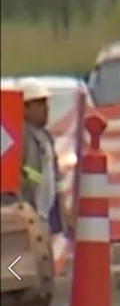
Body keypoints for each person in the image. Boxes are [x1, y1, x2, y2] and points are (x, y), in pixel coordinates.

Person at [15, 79, 64, 236]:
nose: (46, 108)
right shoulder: (19, 135)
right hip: (28, 216)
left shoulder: (46, 137)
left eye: (46, 103)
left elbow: (55, 179)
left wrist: (63, 213)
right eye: (40, 103)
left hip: (44, 217)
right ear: (24, 107)